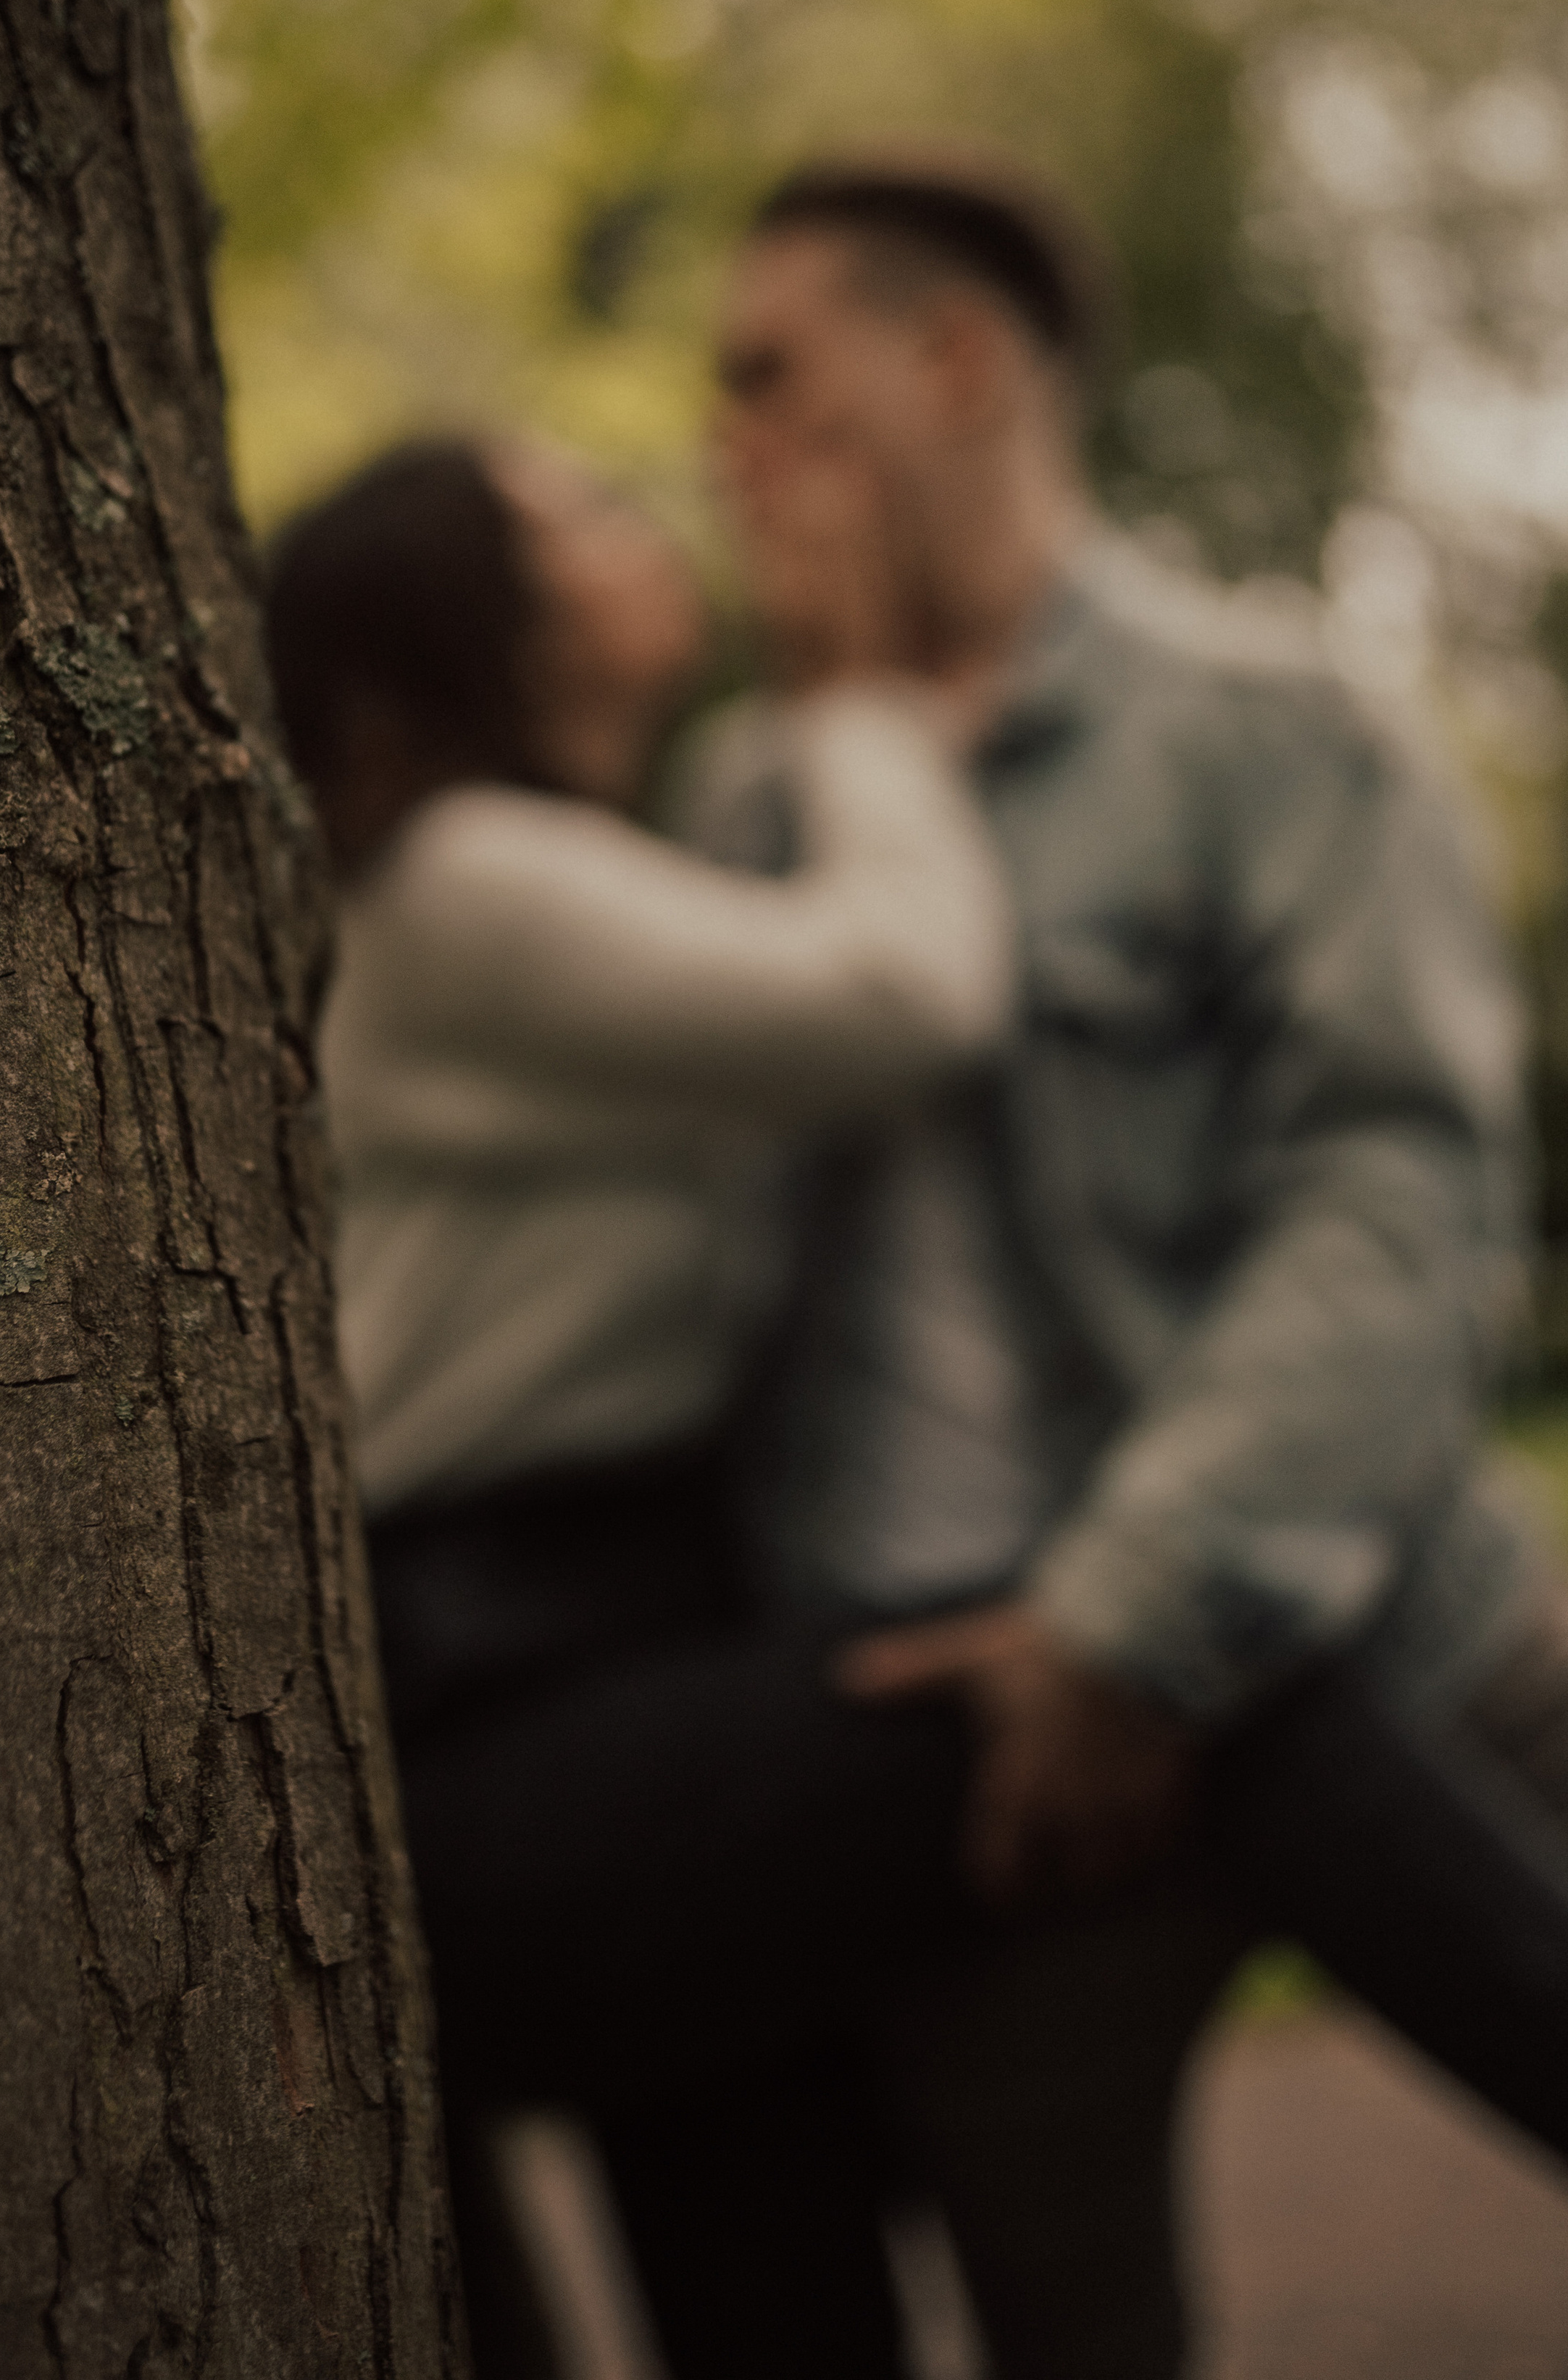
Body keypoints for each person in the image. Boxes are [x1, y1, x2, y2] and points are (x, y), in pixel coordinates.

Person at [265, 399, 1568, 2380]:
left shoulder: (587, 865)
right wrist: (865, 705)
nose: (664, 514)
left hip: (650, 1676)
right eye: (583, 509)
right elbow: (905, 996)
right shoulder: (457, 883)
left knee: (778, 2303)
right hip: (500, 1711)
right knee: (1214, 1692)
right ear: (480, 605)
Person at [669, 151, 1568, 2371]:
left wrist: (1124, 1628)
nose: (727, 443)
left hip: (1381, 1644)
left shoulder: (1270, 728)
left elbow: (1391, 1210)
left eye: (770, 374)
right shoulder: (741, 802)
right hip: (966, 1790)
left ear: (955, 357)